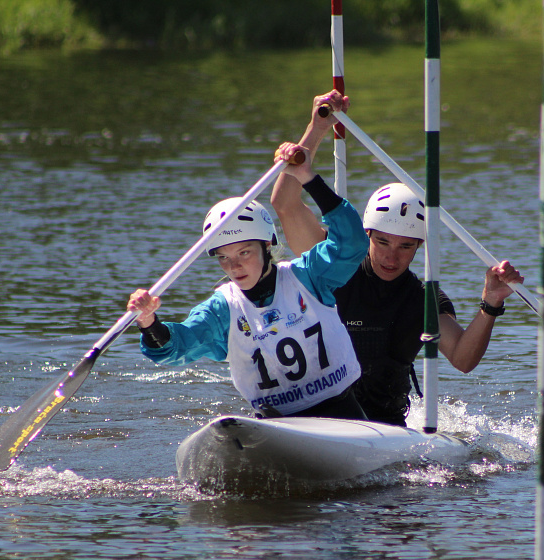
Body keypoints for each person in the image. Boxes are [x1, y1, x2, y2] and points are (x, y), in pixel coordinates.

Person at [270, 90, 524, 426]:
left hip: (385, 427)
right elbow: (285, 204)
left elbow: (463, 359)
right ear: (368, 235)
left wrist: (491, 303)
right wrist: (318, 128)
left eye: (405, 246)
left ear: (419, 247)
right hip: (317, 415)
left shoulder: (423, 297)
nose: (392, 256)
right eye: (384, 242)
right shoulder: (333, 265)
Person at [127, 94, 370, 420]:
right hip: (275, 423)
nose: (234, 266)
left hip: (340, 410)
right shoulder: (222, 309)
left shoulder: (308, 277)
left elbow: (351, 242)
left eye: (244, 253)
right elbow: (176, 347)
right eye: (224, 258)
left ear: (267, 248)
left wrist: (309, 179)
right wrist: (148, 322)